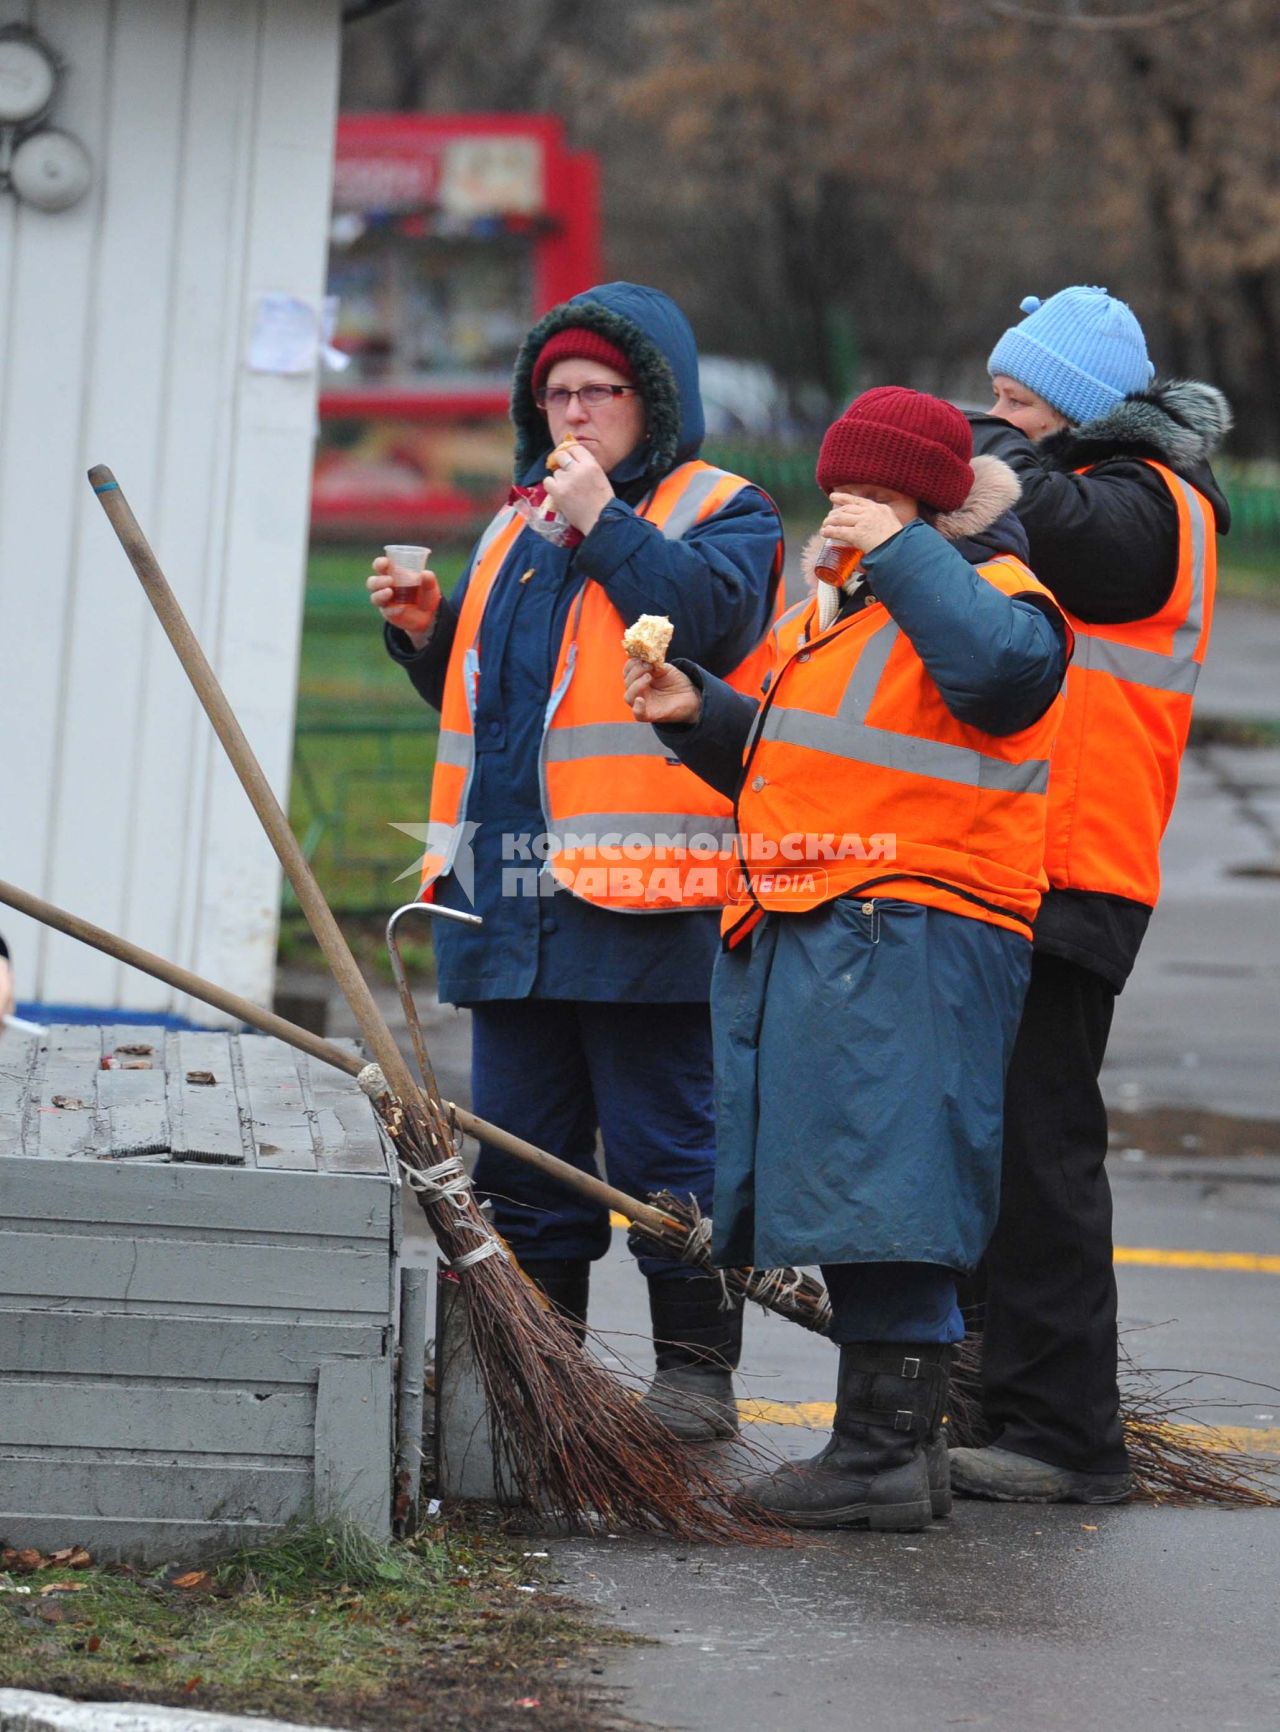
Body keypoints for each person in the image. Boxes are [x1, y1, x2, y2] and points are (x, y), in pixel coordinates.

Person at [625, 387, 1069, 1528]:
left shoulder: (994, 593)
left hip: (917, 926)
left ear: (927, 505)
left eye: (870, 497)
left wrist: (909, 553)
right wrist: (694, 712)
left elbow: (1004, 677)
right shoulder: (830, 616)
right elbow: (787, 767)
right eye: (838, 495)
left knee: (892, 1188)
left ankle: (876, 1456)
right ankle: (893, 1455)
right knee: (861, 1188)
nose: (843, 516)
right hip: (831, 928)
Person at [368, 282, 783, 1439]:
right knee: (523, 1164)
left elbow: (704, 624)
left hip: (647, 894)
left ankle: (693, 1378)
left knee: (668, 1155)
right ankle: (538, 1386)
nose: (576, 412)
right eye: (556, 392)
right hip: (501, 898)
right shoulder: (513, 525)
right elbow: (507, 711)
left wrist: (604, 519)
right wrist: (427, 634)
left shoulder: (724, 508)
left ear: (654, 403)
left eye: (600, 391)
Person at [948, 286, 1232, 1504]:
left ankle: (1064, 1435)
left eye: (1017, 402)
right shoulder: (1078, 492)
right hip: (1009, 862)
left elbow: (1060, 515)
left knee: (1038, 1154)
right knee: (989, 1153)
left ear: (1079, 411)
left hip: (1073, 870)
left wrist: (966, 455)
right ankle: (992, 1399)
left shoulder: (1149, 506)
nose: (998, 422)